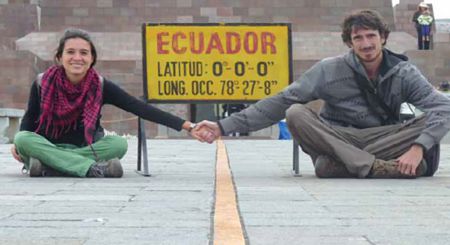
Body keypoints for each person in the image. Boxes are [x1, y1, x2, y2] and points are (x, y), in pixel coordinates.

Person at [196, 10, 450, 179]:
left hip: (381, 137)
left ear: (383, 38)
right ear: (349, 43)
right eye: (358, 38)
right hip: (339, 136)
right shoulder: (329, 70)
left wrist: (418, 147)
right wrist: (222, 126)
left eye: (371, 35)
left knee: (327, 166)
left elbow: (443, 108)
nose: (366, 44)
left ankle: (347, 165)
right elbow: (282, 101)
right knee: (295, 112)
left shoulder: (403, 72)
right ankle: (375, 167)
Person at [11, 28, 205, 178]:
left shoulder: (100, 86)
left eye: (84, 53)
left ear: (92, 58)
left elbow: (139, 108)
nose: (77, 58)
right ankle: (90, 168)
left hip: (85, 147)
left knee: (118, 144)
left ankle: (48, 166)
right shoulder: (41, 82)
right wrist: (19, 145)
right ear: (60, 57)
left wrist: (187, 126)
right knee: (22, 139)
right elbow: (29, 119)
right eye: (70, 52)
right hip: (48, 143)